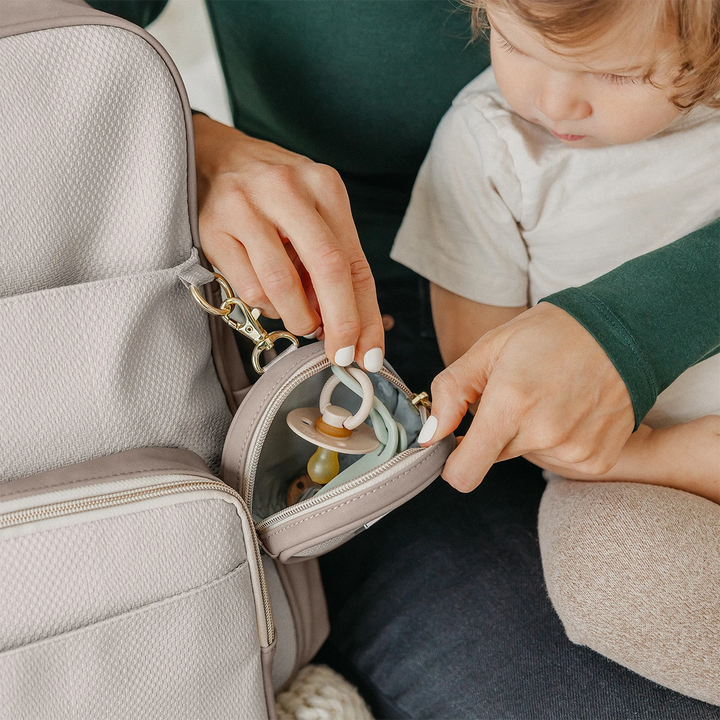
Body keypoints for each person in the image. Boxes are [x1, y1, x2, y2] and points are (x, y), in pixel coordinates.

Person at [92, 1, 720, 716]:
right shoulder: (488, 144)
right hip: (363, 346)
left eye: (616, 72)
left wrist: (637, 324)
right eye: (512, 45)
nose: (554, 100)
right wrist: (189, 146)